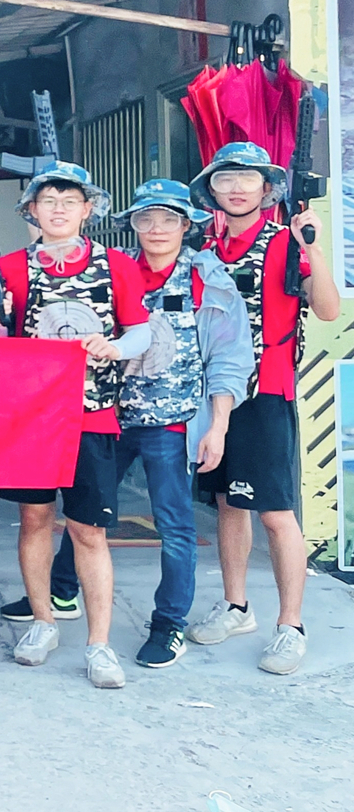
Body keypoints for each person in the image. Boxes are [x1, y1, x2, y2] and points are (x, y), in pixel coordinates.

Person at [3, 178, 250, 670]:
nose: (157, 228)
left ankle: (169, 623)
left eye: (169, 219)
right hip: (105, 415)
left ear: (187, 225)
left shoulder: (208, 280)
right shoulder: (115, 267)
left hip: (170, 420)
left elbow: (227, 359)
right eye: (145, 219)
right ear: (131, 224)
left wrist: (217, 425)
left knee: (174, 525)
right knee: (84, 516)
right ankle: (59, 592)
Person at [0, 162, 152, 688]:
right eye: (48, 201)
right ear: (31, 211)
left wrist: (115, 346)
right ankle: (42, 622)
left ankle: (99, 644)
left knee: (88, 530)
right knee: (34, 519)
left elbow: (142, 332)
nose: (58, 210)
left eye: (69, 201)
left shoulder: (117, 265)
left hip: (93, 416)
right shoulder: (11, 268)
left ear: (87, 210)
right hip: (31, 418)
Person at [182, 142, 339, 674]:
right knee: (228, 503)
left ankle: (291, 626)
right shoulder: (205, 248)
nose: (236, 187)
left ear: (267, 189)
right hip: (213, 394)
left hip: (267, 392)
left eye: (248, 178)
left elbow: (327, 309)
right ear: (211, 190)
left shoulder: (286, 243)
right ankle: (236, 606)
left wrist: (314, 248)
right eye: (225, 178)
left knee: (275, 512)